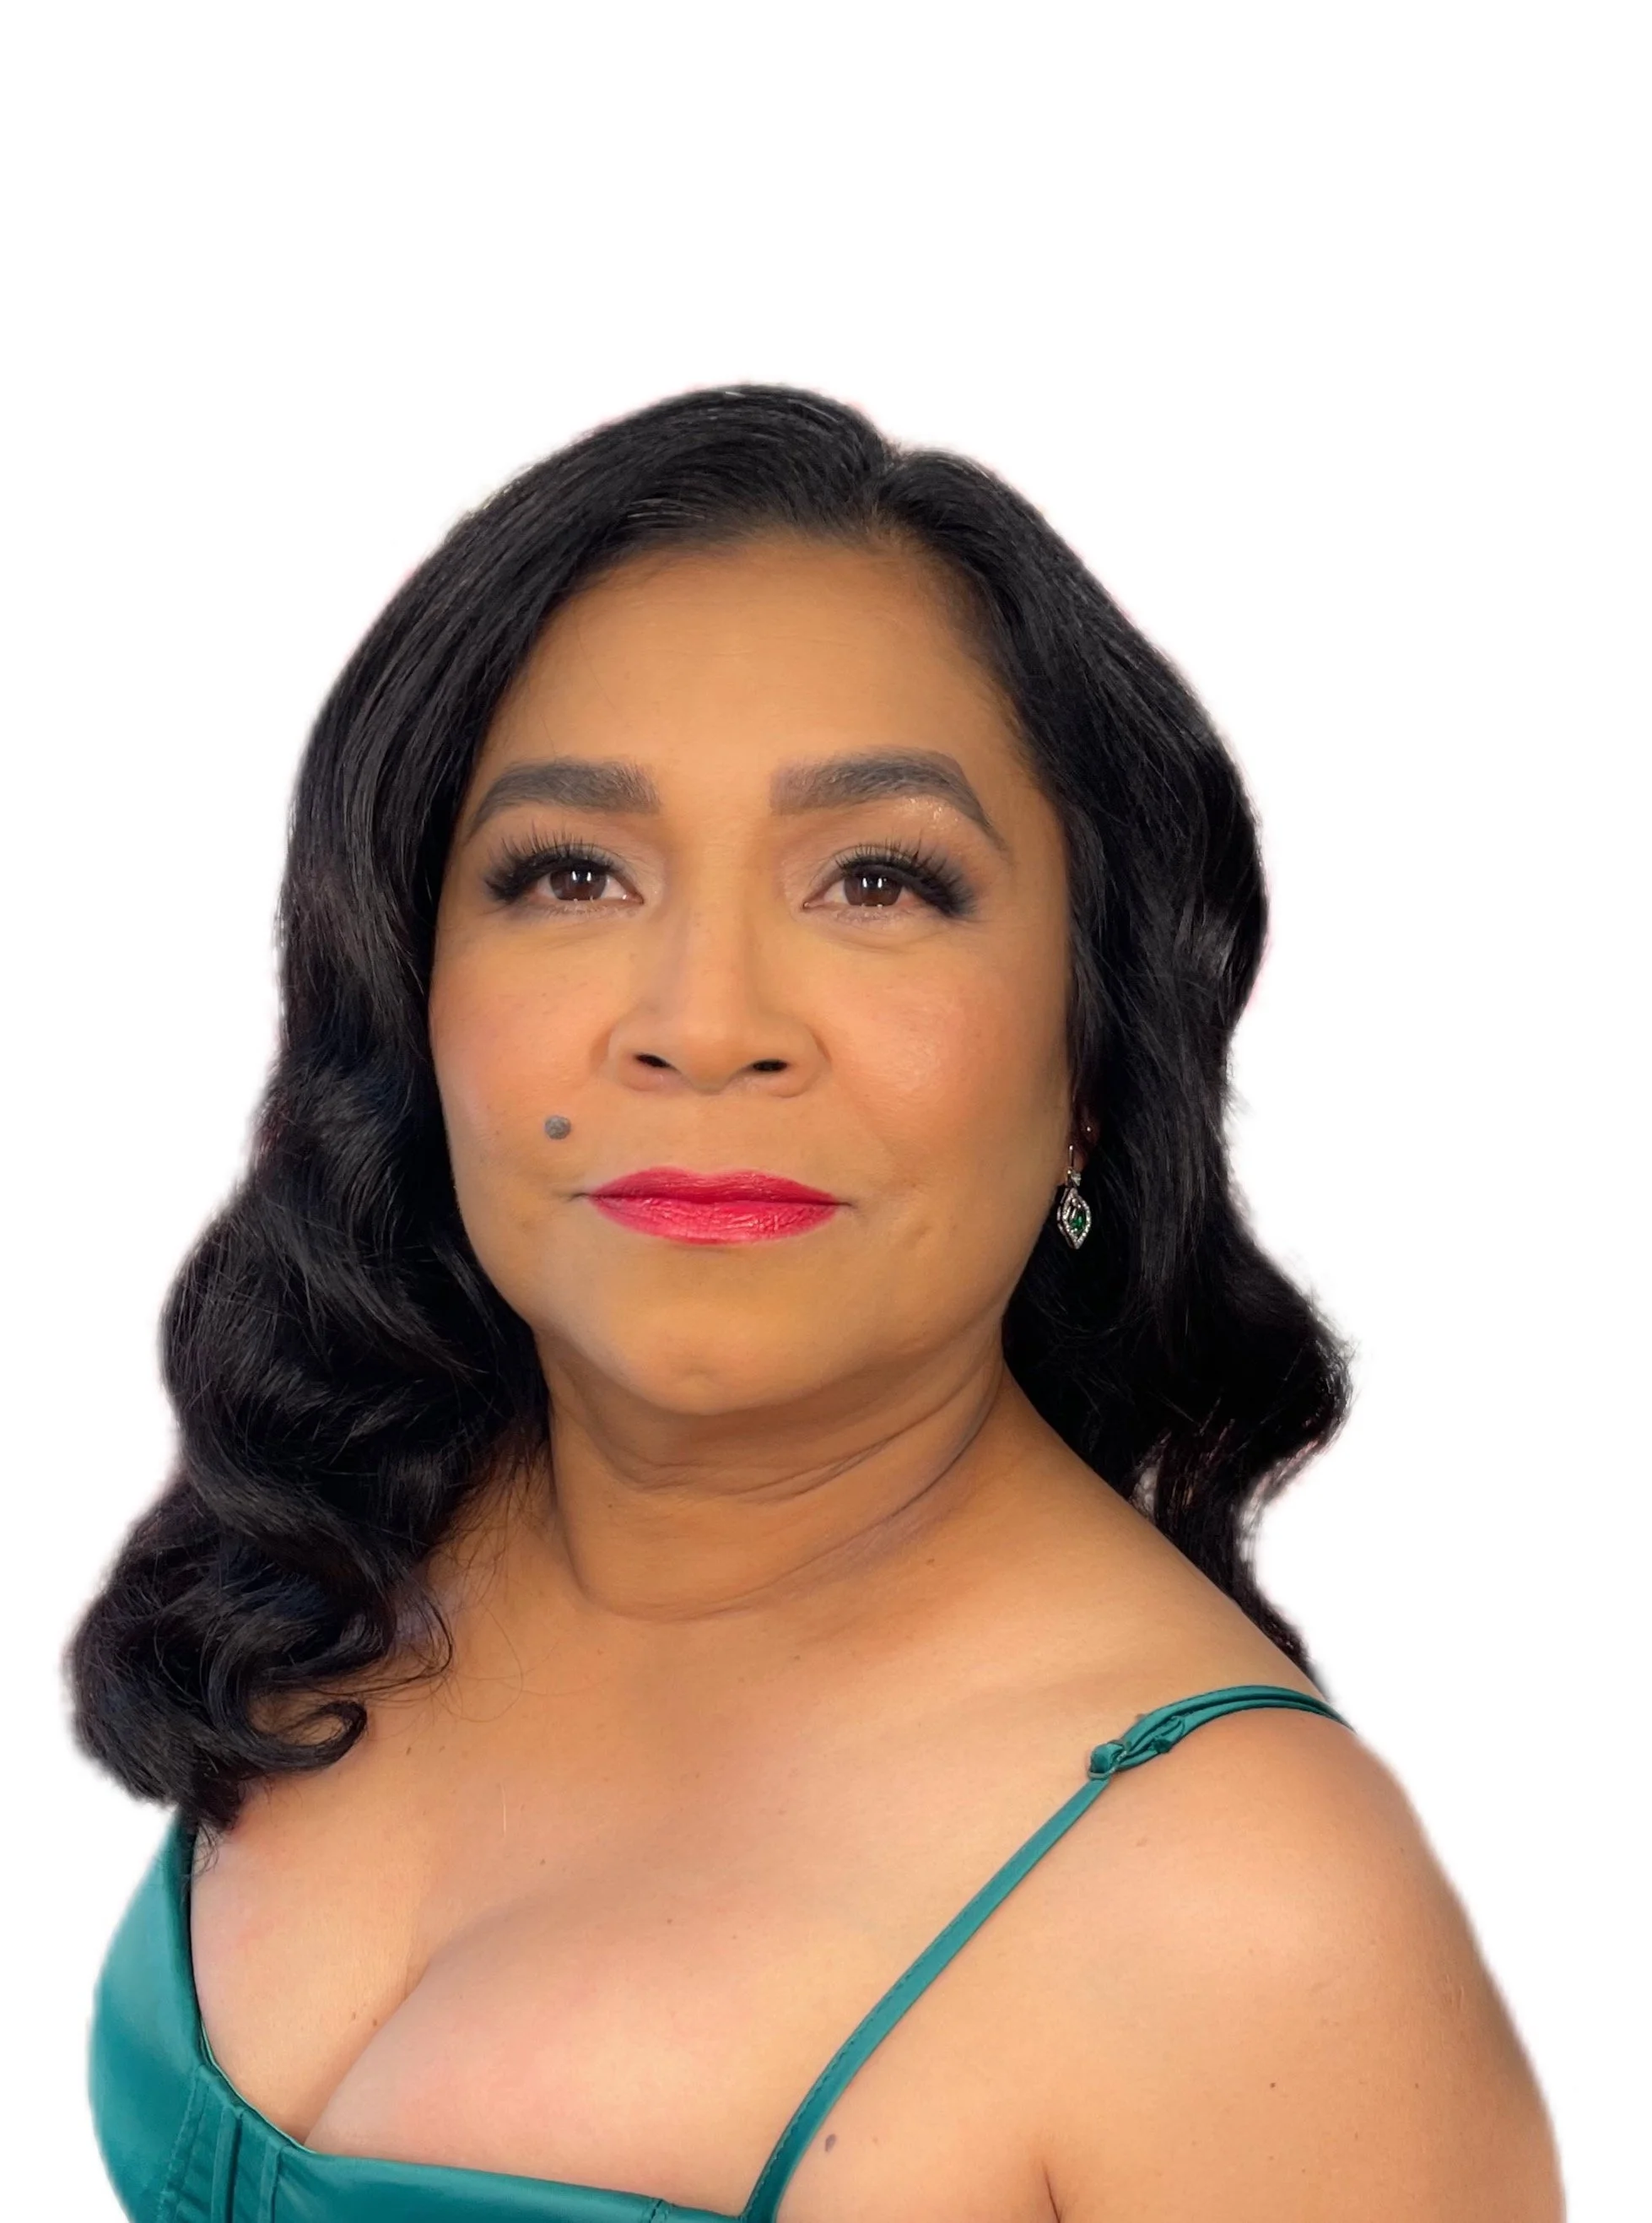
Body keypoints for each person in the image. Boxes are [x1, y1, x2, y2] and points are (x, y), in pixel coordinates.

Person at [71, 385, 1563, 2222]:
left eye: (878, 881)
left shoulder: (1243, 1910)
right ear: (408, 986)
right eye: (569, 873)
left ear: (1097, 1051)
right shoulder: (368, 1530)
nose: (704, 1024)